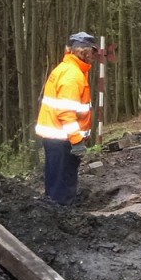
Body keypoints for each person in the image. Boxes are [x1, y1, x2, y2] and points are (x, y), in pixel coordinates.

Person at [36, 31, 96, 206]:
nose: (94, 56)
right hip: (63, 140)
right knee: (62, 188)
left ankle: (55, 218)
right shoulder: (72, 75)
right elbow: (65, 112)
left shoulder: (66, 69)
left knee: (56, 184)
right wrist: (77, 141)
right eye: (92, 52)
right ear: (83, 52)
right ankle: (61, 222)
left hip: (57, 139)